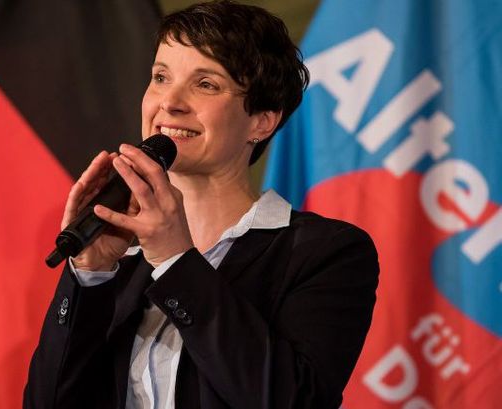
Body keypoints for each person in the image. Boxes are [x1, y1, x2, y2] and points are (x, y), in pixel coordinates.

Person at [24, 1, 379, 408]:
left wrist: (176, 260)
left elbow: (291, 401)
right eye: (160, 77)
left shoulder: (325, 252)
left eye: (205, 84)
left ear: (262, 120)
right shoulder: (122, 260)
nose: (169, 102)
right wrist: (90, 275)